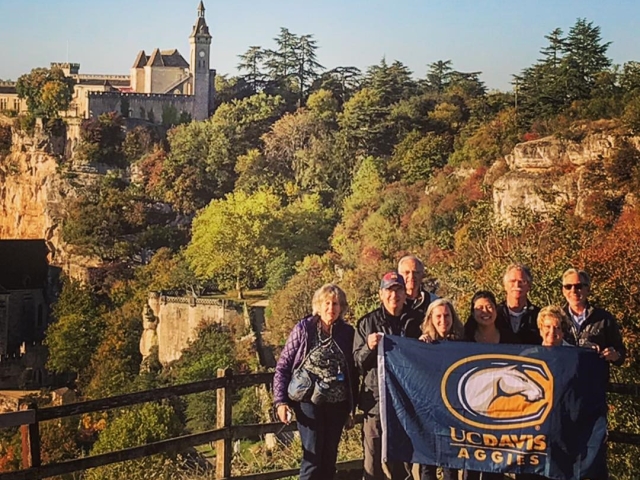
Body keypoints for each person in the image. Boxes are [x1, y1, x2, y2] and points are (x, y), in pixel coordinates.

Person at [273, 284, 357, 480]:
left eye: (336, 304)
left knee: (329, 459)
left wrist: (352, 408)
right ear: (318, 306)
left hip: (337, 404)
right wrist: (281, 402)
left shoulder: (347, 333)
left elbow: (354, 370)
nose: (331, 308)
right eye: (326, 303)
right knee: (312, 458)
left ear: (342, 307)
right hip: (308, 402)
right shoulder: (305, 329)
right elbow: (283, 366)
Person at [353, 271, 414, 480]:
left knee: (405, 464)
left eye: (398, 290)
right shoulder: (367, 323)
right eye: (389, 290)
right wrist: (369, 347)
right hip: (376, 404)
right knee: (373, 466)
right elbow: (357, 363)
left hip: (408, 404)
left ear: (405, 294)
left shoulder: (416, 322)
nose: (394, 295)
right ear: (381, 294)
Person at [464, 291, 515, 480]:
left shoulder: (509, 339)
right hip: (471, 409)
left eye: (489, 306)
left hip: (500, 410)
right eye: (479, 308)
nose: (485, 312)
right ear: (472, 312)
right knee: (471, 462)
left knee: (494, 464)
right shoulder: (464, 339)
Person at [418, 298, 463, 480]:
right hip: (428, 410)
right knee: (427, 464)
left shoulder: (462, 343)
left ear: (453, 318)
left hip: (452, 411)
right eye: (438, 316)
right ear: (430, 318)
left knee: (450, 465)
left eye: (447, 315)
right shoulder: (421, 344)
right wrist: (420, 347)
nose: (443, 320)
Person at [560, 268, 625, 365]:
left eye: (578, 286)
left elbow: (621, 353)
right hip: (564, 377)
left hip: (594, 377)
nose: (573, 291)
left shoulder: (603, 318)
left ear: (588, 289)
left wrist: (614, 355)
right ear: (563, 291)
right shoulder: (556, 318)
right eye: (568, 287)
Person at [496, 264, 541, 345]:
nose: (517, 285)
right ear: (505, 286)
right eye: (512, 281)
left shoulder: (539, 316)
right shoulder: (494, 314)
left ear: (529, 286)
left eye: (522, 281)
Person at [398, 255, 439, 338]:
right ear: (399, 275)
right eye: (406, 272)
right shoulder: (393, 302)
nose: (411, 276)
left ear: (422, 275)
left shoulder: (434, 302)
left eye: (416, 272)